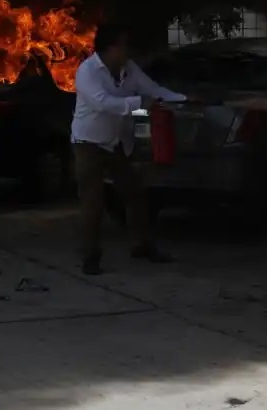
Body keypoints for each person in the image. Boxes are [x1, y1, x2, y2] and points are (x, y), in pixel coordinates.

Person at [71, 21, 187, 275]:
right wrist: (142, 104)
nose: (128, 52)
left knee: (135, 194)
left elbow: (153, 90)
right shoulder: (87, 71)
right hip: (89, 144)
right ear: (110, 48)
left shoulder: (129, 69)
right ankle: (90, 258)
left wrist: (182, 100)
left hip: (118, 144)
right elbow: (104, 104)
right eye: (124, 47)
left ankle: (142, 246)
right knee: (93, 202)